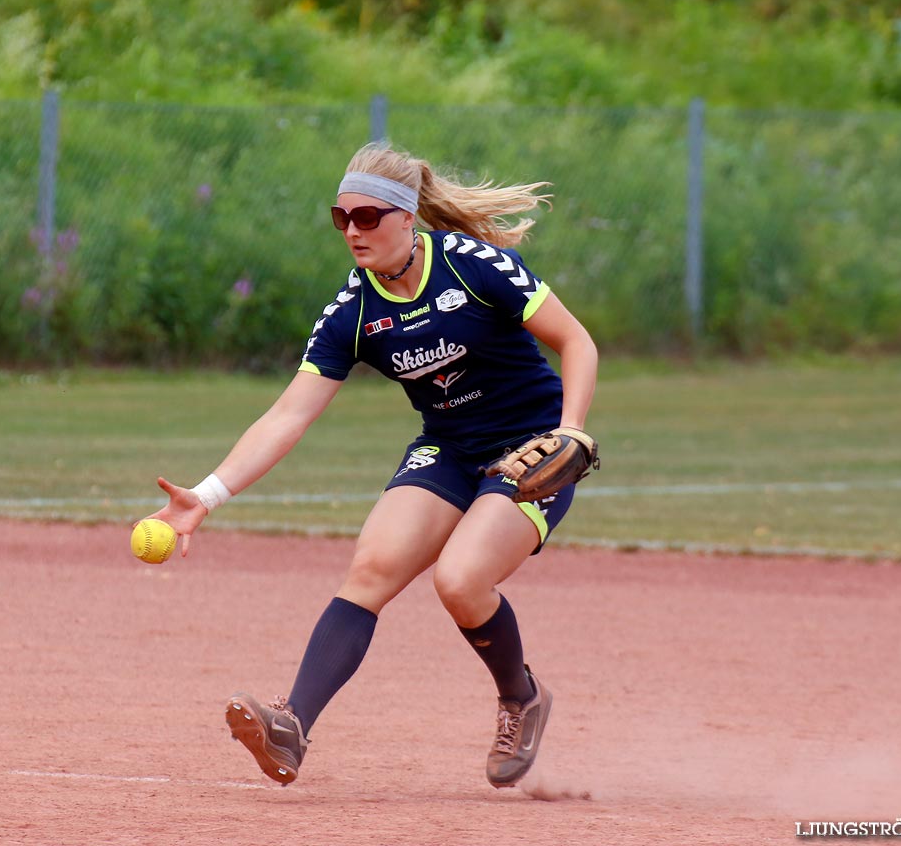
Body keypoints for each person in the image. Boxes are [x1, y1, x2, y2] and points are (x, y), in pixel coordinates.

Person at [153, 142, 599, 788]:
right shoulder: (354, 312)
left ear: (407, 217)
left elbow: (575, 340)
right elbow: (288, 415)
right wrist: (208, 494)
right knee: (370, 569)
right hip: (448, 448)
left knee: (461, 580)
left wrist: (571, 432)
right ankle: (292, 725)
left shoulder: (473, 267)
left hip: (530, 449)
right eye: (342, 219)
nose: (354, 232)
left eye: (368, 217)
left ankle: (520, 697)